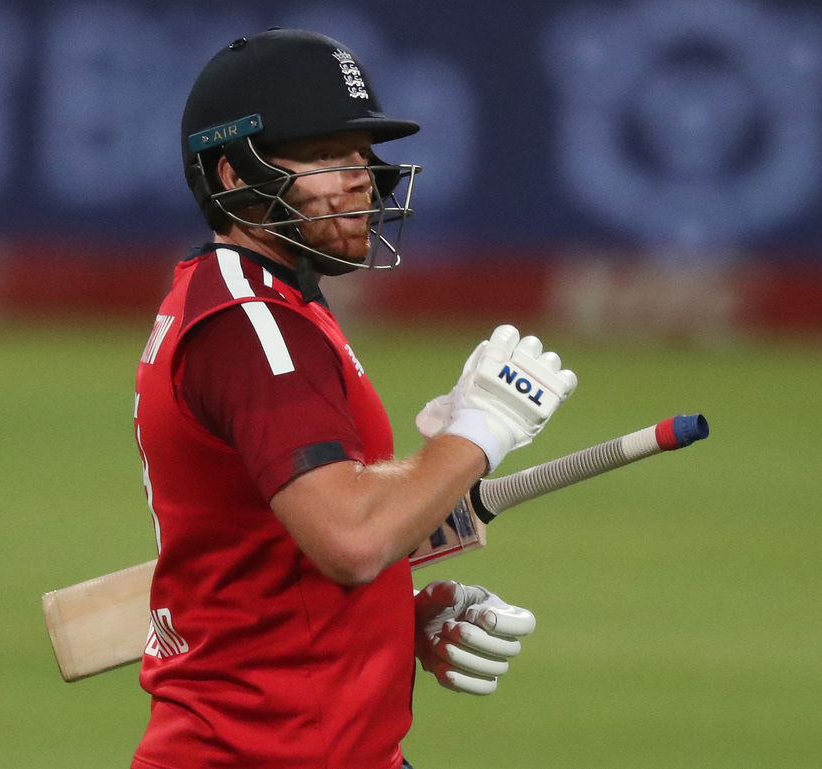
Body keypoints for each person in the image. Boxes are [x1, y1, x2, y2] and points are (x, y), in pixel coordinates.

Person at [130, 28, 578, 769]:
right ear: (232, 172)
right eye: (324, 155)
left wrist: (395, 621)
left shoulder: (270, 302)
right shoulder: (249, 324)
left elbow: (286, 545)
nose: (360, 178)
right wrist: (481, 431)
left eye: (361, 154)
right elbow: (351, 540)